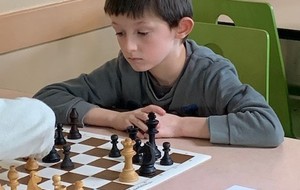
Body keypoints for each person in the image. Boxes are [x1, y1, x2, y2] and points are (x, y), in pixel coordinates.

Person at [33, 0, 284, 147]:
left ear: (181, 28)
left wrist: (181, 125)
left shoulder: (211, 74)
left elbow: (268, 127)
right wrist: (115, 119)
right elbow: (47, 97)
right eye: (119, 32)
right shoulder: (123, 70)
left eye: (142, 33)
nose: (128, 46)